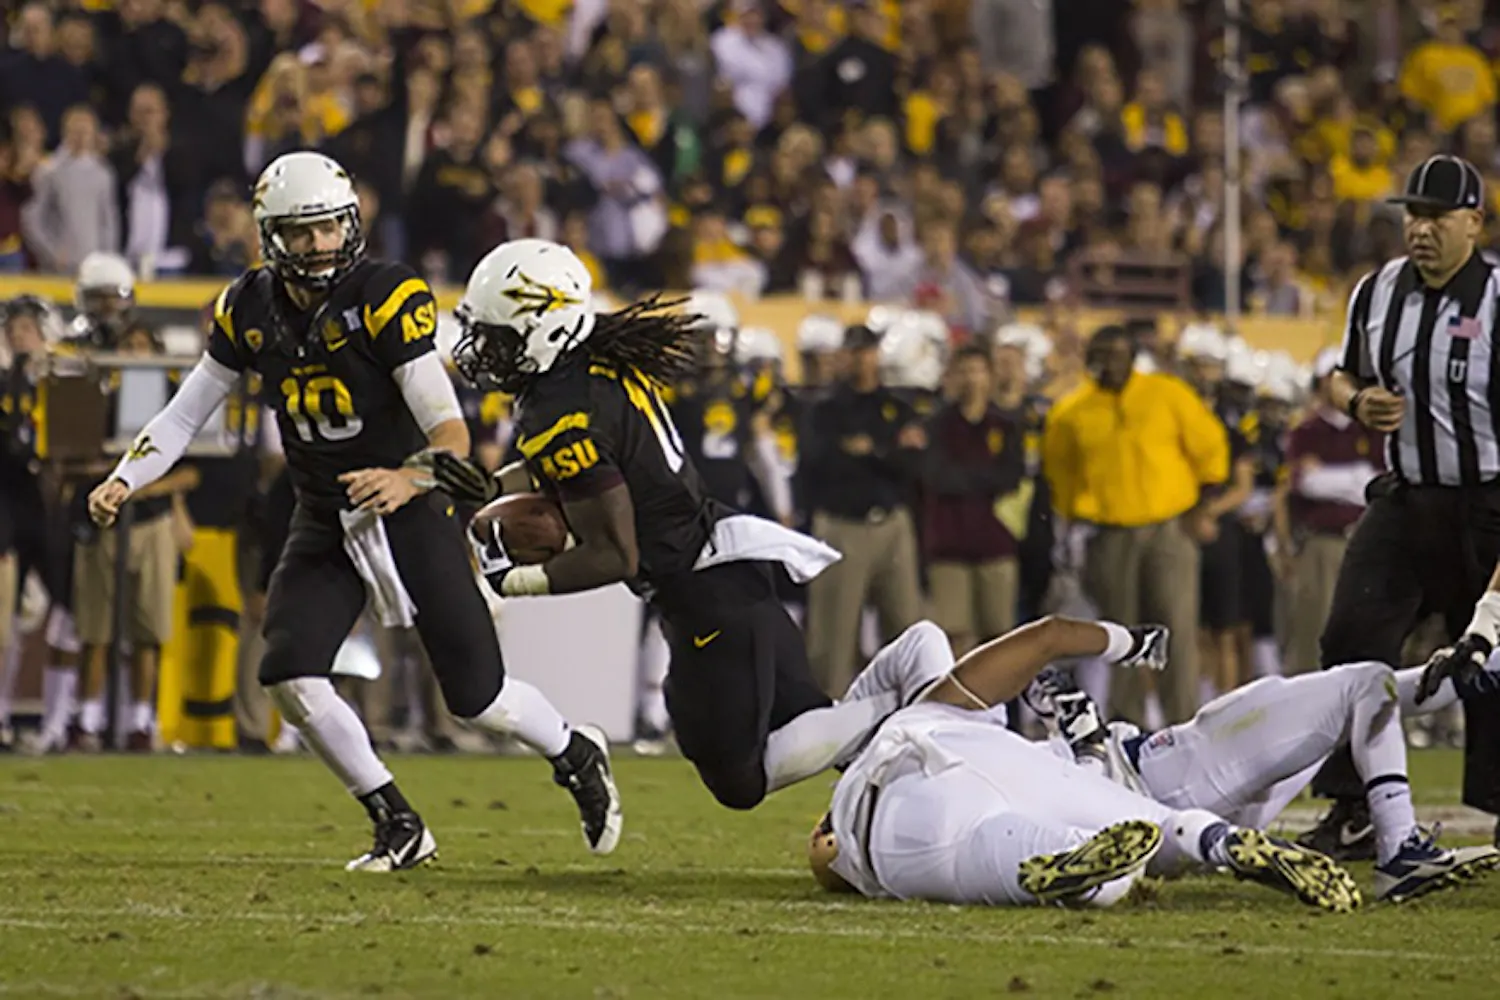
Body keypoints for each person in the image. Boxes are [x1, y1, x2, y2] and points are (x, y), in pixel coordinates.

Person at [85, 152, 621, 871]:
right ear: (273, 237)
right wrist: (125, 477)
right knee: (289, 672)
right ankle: (398, 822)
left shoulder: (383, 296)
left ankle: (573, 749)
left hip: (409, 507)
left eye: (332, 228)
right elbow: (184, 415)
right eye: (304, 233)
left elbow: (450, 432)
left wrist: (408, 478)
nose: (321, 245)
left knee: (478, 699)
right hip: (322, 512)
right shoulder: (246, 307)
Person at [426, 238, 943, 811]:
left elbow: (614, 554)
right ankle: (909, 733)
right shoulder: (590, 365)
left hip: (706, 595)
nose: (485, 351)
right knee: (810, 722)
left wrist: (510, 583)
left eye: (500, 336)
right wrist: (499, 485)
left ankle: (906, 705)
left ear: (548, 328)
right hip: (723, 564)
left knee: (740, 781)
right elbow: (591, 455)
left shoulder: (561, 407)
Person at [806, 615, 1362, 913]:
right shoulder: (965, 720)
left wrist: (836, 777)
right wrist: (1131, 642)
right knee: (1153, 826)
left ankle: (1091, 878)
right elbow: (1049, 634)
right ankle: (1212, 840)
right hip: (1018, 771)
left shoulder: (898, 738)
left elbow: (828, 860)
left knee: (1045, 859)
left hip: (899, 821)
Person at [1301, 154, 1500, 859]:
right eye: (1412, 215)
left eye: (1436, 216)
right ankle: (1354, 805)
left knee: (1493, 657)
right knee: (1350, 639)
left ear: (1473, 221)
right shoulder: (1377, 289)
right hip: (1405, 499)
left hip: (1489, 507)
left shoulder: (1499, 300)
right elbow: (1338, 373)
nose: (1419, 229)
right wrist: (1356, 400)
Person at [1032, 658, 1500, 903]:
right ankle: (1400, 849)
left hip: (1154, 828)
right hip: (1159, 775)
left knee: (1363, 698)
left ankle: (1487, 668)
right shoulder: (973, 751)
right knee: (1365, 685)